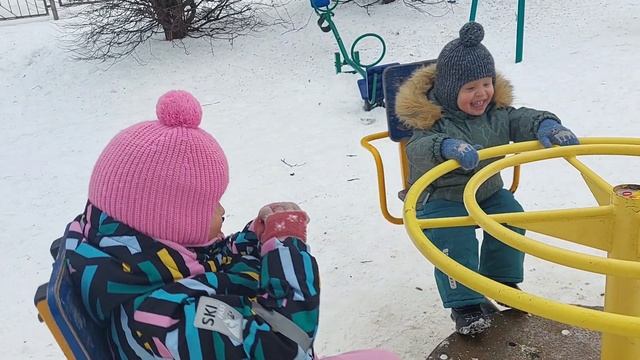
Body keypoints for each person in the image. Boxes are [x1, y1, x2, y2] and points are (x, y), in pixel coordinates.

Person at [63, 90, 399, 359]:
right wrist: (286, 250)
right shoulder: (166, 320)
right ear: (167, 219)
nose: (222, 211)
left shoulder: (142, 264)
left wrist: (254, 239)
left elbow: (211, 268)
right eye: (209, 204)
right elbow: (288, 345)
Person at [394, 22, 579, 336]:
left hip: (487, 190)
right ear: (450, 91)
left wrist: (545, 124)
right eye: (470, 89)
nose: (481, 94)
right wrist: (447, 146)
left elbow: (521, 118)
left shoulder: (497, 113)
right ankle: (464, 305)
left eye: (486, 84)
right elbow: (418, 149)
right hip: (441, 196)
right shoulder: (432, 120)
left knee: (511, 218)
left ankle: (501, 281)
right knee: (455, 236)